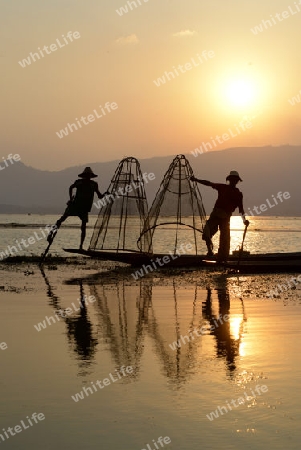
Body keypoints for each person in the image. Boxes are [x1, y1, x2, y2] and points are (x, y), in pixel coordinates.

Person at [190, 170, 249, 260]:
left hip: (226, 217)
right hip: (216, 214)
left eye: (235, 180)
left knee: (225, 240)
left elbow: (241, 209)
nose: (234, 181)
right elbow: (209, 183)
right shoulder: (222, 187)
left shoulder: (238, 194)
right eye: (232, 179)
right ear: (229, 180)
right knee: (207, 232)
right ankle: (210, 251)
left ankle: (222, 257)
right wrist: (196, 180)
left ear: (237, 181)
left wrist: (244, 220)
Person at [47, 167, 107, 249]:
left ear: (90, 176)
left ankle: (81, 246)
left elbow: (100, 196)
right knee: (62, 219)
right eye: (86, 175)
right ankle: (50, 234)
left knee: (83, 226)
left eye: (88, 176)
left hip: (84, 208)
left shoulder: (93, 185)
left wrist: (106, 194)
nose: (87, 177)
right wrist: (71, 198)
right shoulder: (79, 182)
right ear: (84, 176)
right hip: (75, 205)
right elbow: (71, 187)